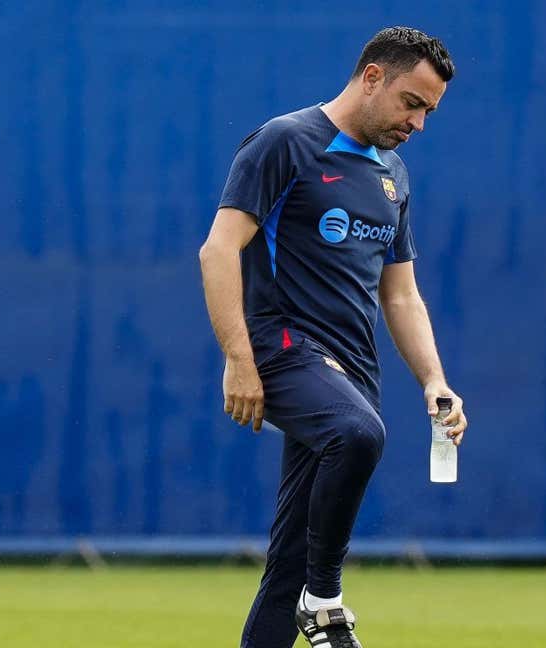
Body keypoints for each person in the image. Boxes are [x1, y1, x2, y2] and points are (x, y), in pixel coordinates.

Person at [198, 27, 470, 648]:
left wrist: (434, 381)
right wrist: (238, 360)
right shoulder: (286, 142)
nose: (419, 123)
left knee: (286, 563)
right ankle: (324, 601)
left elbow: (400, 295)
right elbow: (217, 252)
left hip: (350, 372)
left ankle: (306, 591)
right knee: (359, 433)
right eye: (412, 102)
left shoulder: (394, 175)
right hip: (282, 348)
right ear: (372, 76)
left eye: (430, 111)